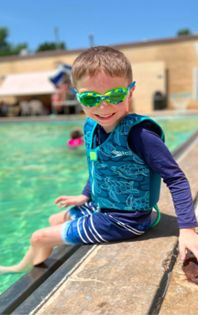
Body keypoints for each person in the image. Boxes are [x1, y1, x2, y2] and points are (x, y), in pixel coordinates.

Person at [1, 46, 198, 274]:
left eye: (115, 95)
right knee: (54, 219)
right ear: (78, 96)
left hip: (127, 219)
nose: (103, 106)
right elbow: (99, 165)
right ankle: (39, 269)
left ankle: (21, 270)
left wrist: (188, 229)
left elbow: (176, 179)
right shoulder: (92, 127)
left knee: (39, 236)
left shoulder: (140, 135)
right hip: (103, 205)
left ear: (130, 92)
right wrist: (85, 195)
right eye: (90, 98)